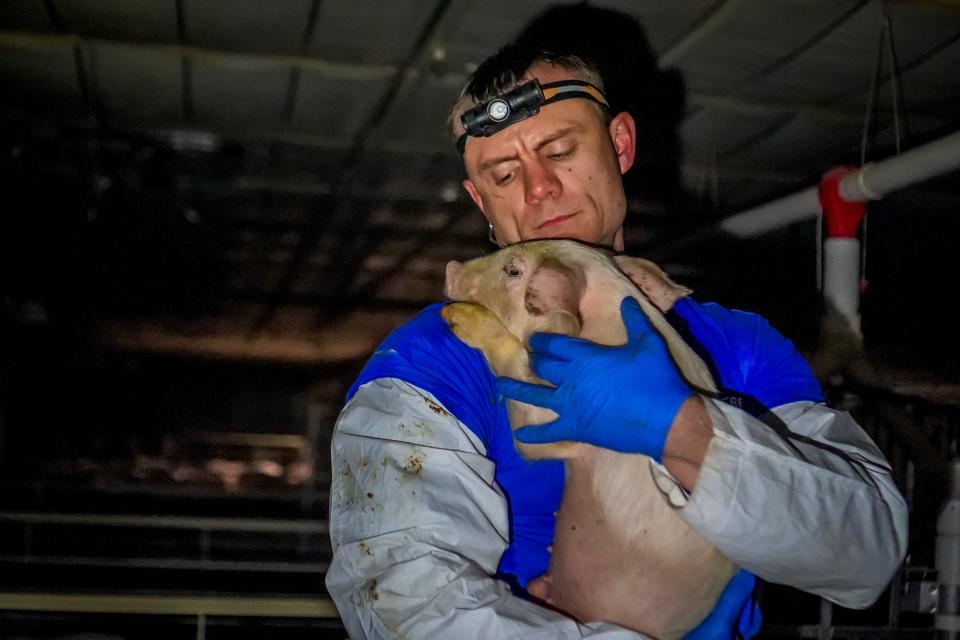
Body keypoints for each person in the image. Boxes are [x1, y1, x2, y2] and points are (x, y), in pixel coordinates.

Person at [324, 43, 908, 639]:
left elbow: (869, 555)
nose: (540, 188)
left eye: (560, 151)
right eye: (504, 174)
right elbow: (400, 597)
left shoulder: (738, 346)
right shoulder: (433, 360)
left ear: (621, 144)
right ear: (482, 203)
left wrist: (686, 430)